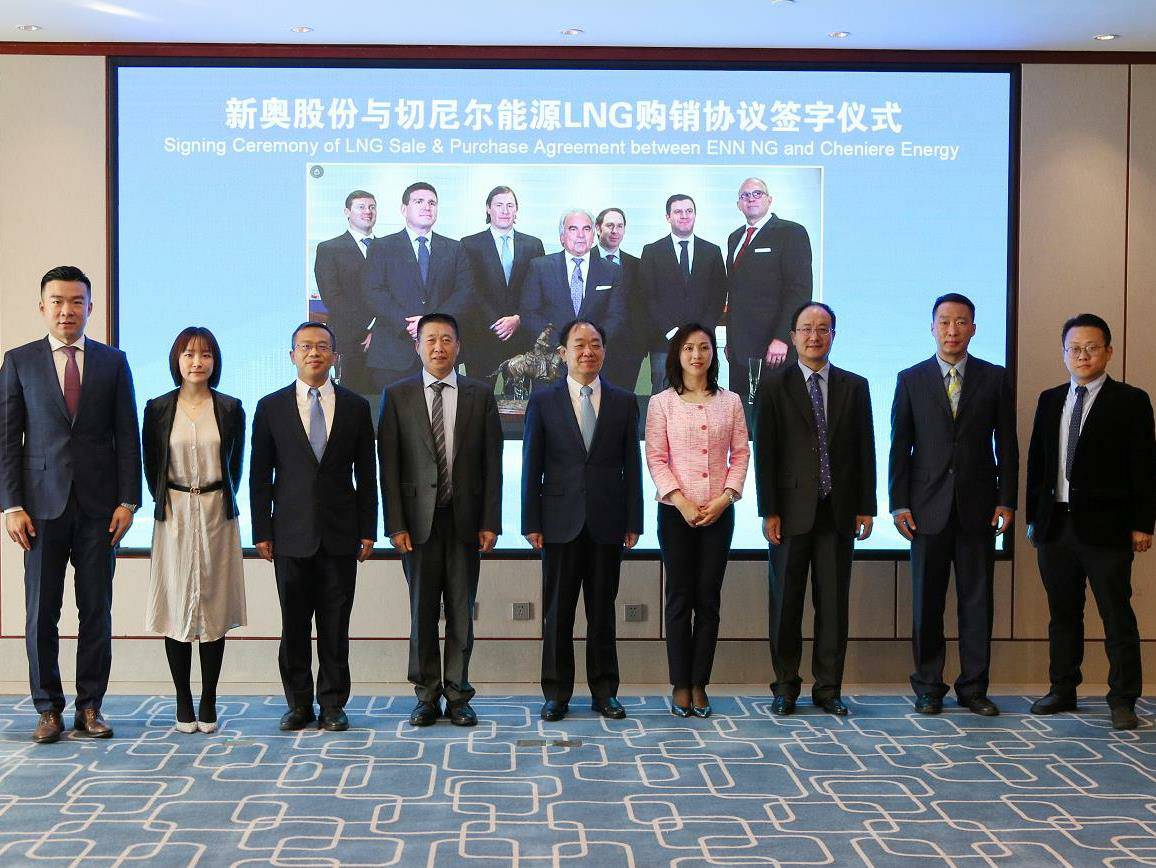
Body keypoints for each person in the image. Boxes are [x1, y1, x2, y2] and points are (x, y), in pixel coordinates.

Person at [0, 265, 141, 744]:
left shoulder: (113, 362)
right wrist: (11, 505)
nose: (67, 310)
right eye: (58, 301)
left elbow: (127, 436)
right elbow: (7, 439)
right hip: (39, 510)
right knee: (41, 613)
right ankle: (47, 710)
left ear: (90, 307)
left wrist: (128, 500)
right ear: (43, 307)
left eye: (77, 301)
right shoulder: (19, 361)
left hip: (101, 509)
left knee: (96, 611)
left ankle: (90, 707)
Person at [889, 292, 1017, 716]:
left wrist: (1006, 500)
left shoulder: (995, 378)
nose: (952, 330)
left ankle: (974, 688)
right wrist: (898, 504)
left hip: (979, 507)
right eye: (944, 322)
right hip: (926, 509)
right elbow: (900, 447)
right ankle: (928, 686)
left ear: (973, 329)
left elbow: (1007, 445)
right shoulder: (911, 379)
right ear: (932, 328)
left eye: (961, 322)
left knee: (977, 602)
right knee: (927, 603)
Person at [1026, 313, 1155, 731]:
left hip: (1107, 528)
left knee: (1116, 615)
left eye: (1091, 347)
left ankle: (1123, 699)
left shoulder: (1131, 401)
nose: (1082, 355)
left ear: (1108, 352)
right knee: (1062, 614)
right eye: (1074, 348)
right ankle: (1063, 688)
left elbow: (1144, 467)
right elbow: (1038, 463)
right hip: (1055, 526)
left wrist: (1144, 523)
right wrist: (1034, 518)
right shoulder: (1050, 400)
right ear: (1064, 353)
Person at [250, 322, 377, 732]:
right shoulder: (270, 407)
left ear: (335, 356)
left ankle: (333, 704)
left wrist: (368, 529)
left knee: (335, 626)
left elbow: (367, 474)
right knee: (294, 626)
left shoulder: (356, 407)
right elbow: (259, 476)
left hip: (341, 534)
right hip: (289, 534)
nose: (314, 353)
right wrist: (261, 530)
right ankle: (299, 704)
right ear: (292, 356)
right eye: (305, 346)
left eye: (322, 346)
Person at [378, 313, 502, 727]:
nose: (438, 347)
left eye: (447, 339)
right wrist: (395, 524)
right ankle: (427, 695)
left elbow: (492, 464)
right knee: (423, 611)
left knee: (462, 611)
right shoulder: (397, 395)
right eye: (430, 339)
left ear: (458, 347)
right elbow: (388, 467)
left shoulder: (480, 394)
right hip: (417, 525)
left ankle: (459, 694)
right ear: (417, 346)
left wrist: (491, 521)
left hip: (465, 520)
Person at [754, 302, 876, 716]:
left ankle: (828, 688)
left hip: (838, 511)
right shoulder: (773, 386)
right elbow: (766, 452)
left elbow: (865, 449)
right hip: (789, 513)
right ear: (792, 337)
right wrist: (769, 510)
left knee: (833, 605)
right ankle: (785, 687)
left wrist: (866, 506)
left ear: (833, 336)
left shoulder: (855, 386)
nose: (814, 336)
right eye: (806, 328)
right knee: (785, 604)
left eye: (823, 329)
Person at [521, 319, 642, 722]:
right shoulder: (543, 400)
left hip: (608, 520)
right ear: (563, 353)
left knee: (602, 612)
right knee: (557, 612)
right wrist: (531, 521)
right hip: (558, 521)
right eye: (579, 345)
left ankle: (605, 691)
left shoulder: (624, 401)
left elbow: (631, 465)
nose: (587, 351)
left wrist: (634, 520)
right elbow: (532, 465)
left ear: (604, 351)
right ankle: (556, 693)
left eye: (595, 344)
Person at [142, 327, 246, 734]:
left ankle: (209, 699)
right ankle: (183, 700)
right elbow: (151, 465)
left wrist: (217, 498)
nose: (197, 362)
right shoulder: (157, 408)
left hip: (217, 514)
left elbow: (235, 465)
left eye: (205, 355)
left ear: (215, 361)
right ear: (177, 360)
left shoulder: (231, 407)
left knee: (214, 606)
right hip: (175, 512)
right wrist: (169, 499)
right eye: (188, 354)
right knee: (176, 604)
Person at [644, 323, 748, 717]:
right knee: (679, 597)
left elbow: (741, 455)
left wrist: (725, 498)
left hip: (719, 512)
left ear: (713, 354)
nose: (696, 355)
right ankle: (680, 684)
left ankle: (700, 683)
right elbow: (656, 458)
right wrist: (681, 501)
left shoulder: (731, 401)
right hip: (676, 513)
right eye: (688, 348)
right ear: (678, 354)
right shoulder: (662, 403)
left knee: (708, 599)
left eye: (704, 347)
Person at [362, 182, 472, 391]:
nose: (426, 207)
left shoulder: (455, 248)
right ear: (404, 209)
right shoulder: (381, 247)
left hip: (441, 353)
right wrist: (408, 324)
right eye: (419, 201)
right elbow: (373, 292)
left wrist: (429, 322)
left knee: (441, 411)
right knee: (392, 411)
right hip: (393, 353)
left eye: (432, 203)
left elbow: (464, 293)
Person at [724, 177, 813, 400]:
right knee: (742, 412)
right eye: (745, 195)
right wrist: (730, 342)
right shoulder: (735, 238)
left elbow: (799, 291)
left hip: (774, 348)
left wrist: (783, 337)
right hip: (739, 351)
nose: (751, 199)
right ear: (738, 204)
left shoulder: (791, 233)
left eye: (757, 193)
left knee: (775, 411)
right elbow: (734, 294)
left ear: (769, 199)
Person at [640, 195, 727, 394]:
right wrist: (672, 332)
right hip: (664, 343)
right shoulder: (652, 251)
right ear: (668, 217)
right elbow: (647, 297)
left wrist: (701, 331)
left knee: (702, 395)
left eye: (689, 211)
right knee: (663, 399)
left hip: (702, 341)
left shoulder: (712, 251)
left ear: (695, 215)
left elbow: (718, 295)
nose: (684, 216)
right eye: (678, 212)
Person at [460, 186, 545, 383]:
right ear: (488, 208)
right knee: (480, 396)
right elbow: (469, 289)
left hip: (522, 338)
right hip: (481, 336)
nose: (505, 210)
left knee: (520, 397)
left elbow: (539, 290)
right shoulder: (469, 244)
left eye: (510, 205)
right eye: (499, 205)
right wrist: (497, 323)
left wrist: (518, 318)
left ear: (516, 210)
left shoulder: (533, 245)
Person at [520, 210, 625, 354]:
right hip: (552, 356)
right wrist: (560, 345)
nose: (581, 235)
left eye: (586, 229)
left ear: (593, 235)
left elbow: (616, 316)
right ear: (562, 236)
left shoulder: (612, 271)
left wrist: (591, 344)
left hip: (594, 356)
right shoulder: (540, 267)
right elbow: (529, 313)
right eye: (573, 229)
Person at [314, 189, 377, 396]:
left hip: (387, 340)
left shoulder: (390, 248)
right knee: (350, 402)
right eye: (361, 207)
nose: (368, 211)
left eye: (372, 207)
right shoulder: (329, 249)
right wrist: (367, 326)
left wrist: (378, 329)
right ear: (347, 212)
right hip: (348, 340)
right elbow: (332, 297)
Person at [594, 207, 645, 392]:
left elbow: (642, 306)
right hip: (594, 348)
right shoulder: (584, 261)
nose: (615, 231)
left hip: (629, 353)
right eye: (609, 225)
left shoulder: (637, 265)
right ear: (598, 228)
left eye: (619, 226)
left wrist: (640, 344)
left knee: (623, 402)